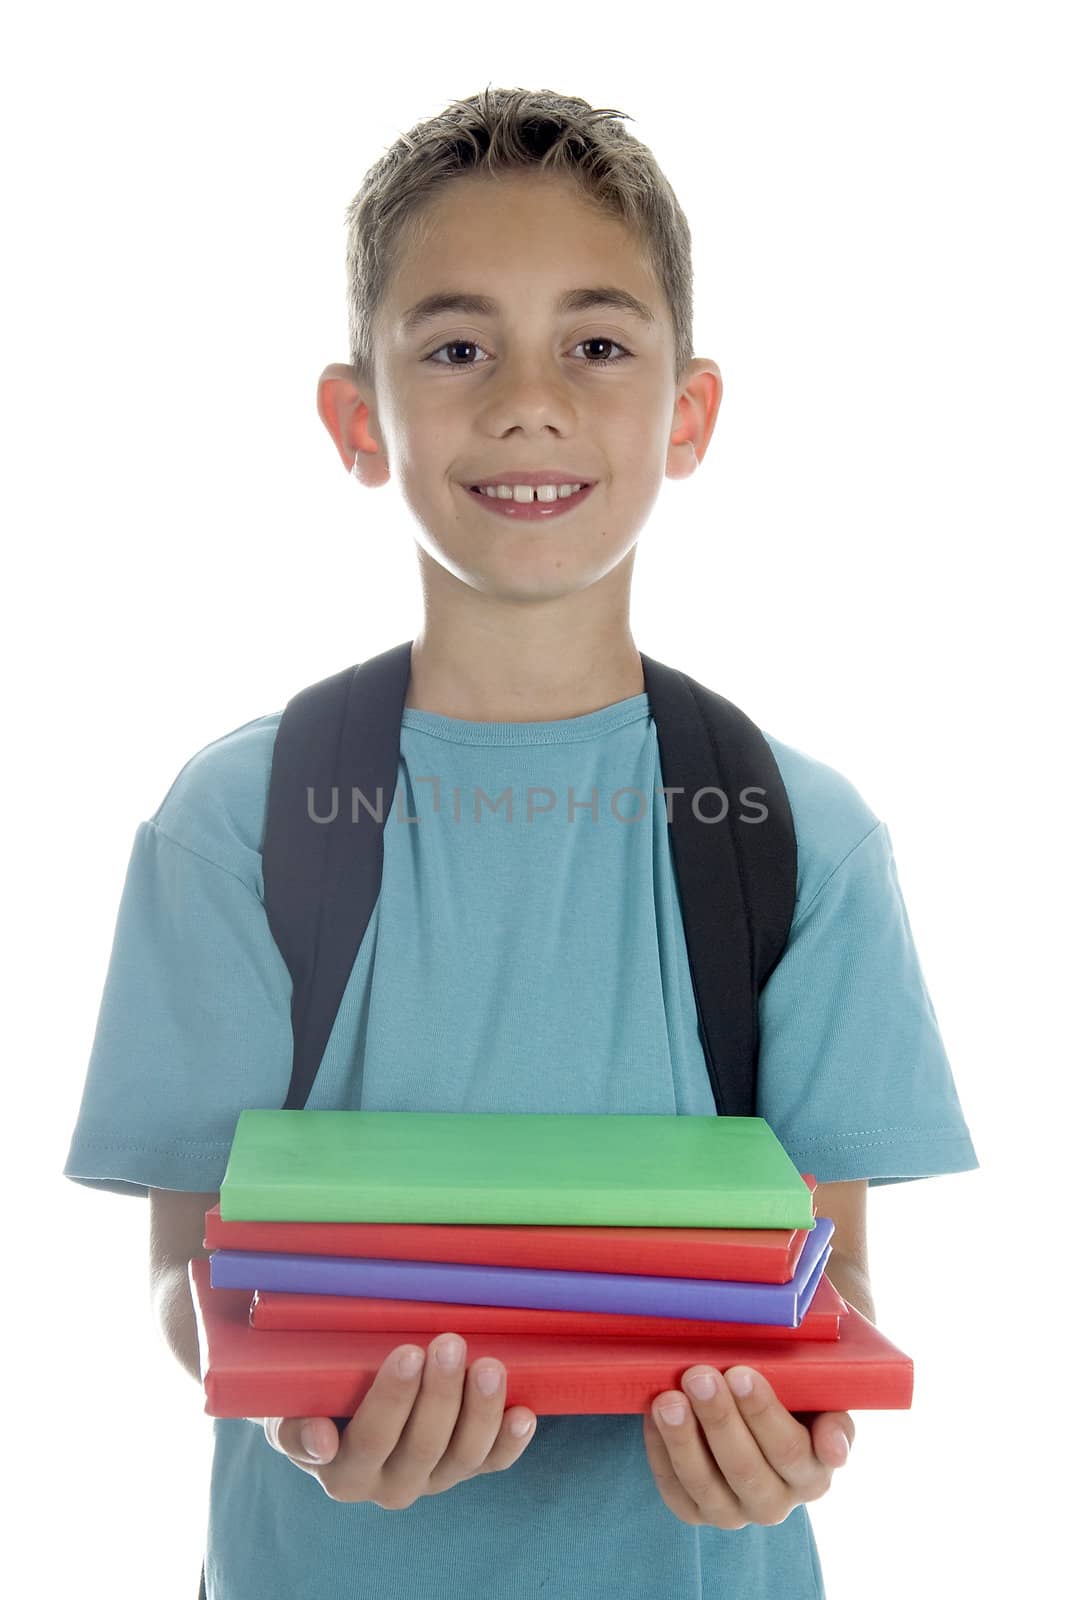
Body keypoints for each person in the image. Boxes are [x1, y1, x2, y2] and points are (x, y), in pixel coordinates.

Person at [63, 85, 979, 1600]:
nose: (529, 401)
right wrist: (290, 1400)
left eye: (599, 345)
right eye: (457, 346)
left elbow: (834, 1277)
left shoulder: (797, 838)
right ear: (360, 418)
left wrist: (802, 1432)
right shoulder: (239, 822)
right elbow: (190, 1268)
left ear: (689, 414)